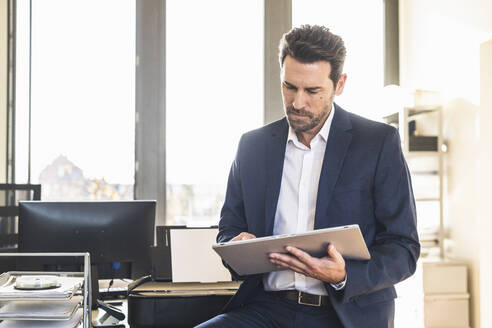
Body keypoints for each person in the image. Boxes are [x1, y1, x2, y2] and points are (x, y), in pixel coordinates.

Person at [197, 24, 420, 327]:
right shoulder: (252, 146)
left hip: (345, 313)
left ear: (339, 84)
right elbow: (229, 228)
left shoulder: (378, 143)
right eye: (289, 87)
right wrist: (237, 245)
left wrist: (344, 275)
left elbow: (403, 249)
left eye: (312, 91)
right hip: (266, 309)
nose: (298, 102)